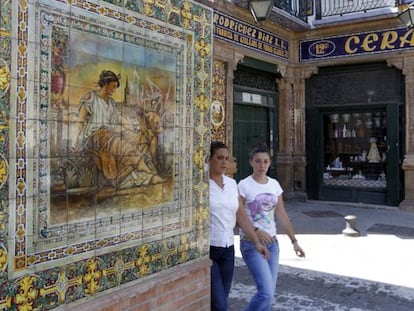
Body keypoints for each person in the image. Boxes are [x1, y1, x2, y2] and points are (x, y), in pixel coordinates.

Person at [237, 142, 305, 311]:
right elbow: (239, 216)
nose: (262, 165)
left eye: (265, 161)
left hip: (273, 245)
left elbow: (281, 214)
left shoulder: (274, 184)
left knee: (269, 294)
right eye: (258, 161)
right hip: (251, 244)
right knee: (266, 293)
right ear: (251, 162)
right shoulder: (244, 185)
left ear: (270, 162)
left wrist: (294, 241)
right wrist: (256, 231)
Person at [71, 70, 163, 188]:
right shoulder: (90, 97)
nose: (114, 90)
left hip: (109, 133)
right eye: (113, 86)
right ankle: (143, 168)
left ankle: (142, 172)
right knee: (119, 143)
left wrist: (130, 128)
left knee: (137, 138)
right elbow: (80, 121)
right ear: (105, 83)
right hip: (94, 136)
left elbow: (118, 118)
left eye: (115, 87)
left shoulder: (111, 102)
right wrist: (75, 140)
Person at [209, 141, 269, 311]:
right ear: (210, 159)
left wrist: (257, 242)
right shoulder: (202, 186)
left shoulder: (231, 184)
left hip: (228, 249)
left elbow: (241, 216)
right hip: (209, 249)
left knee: (222, 300)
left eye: (226, 159)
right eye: (219, 158)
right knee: (220, 304)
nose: (224, 162)